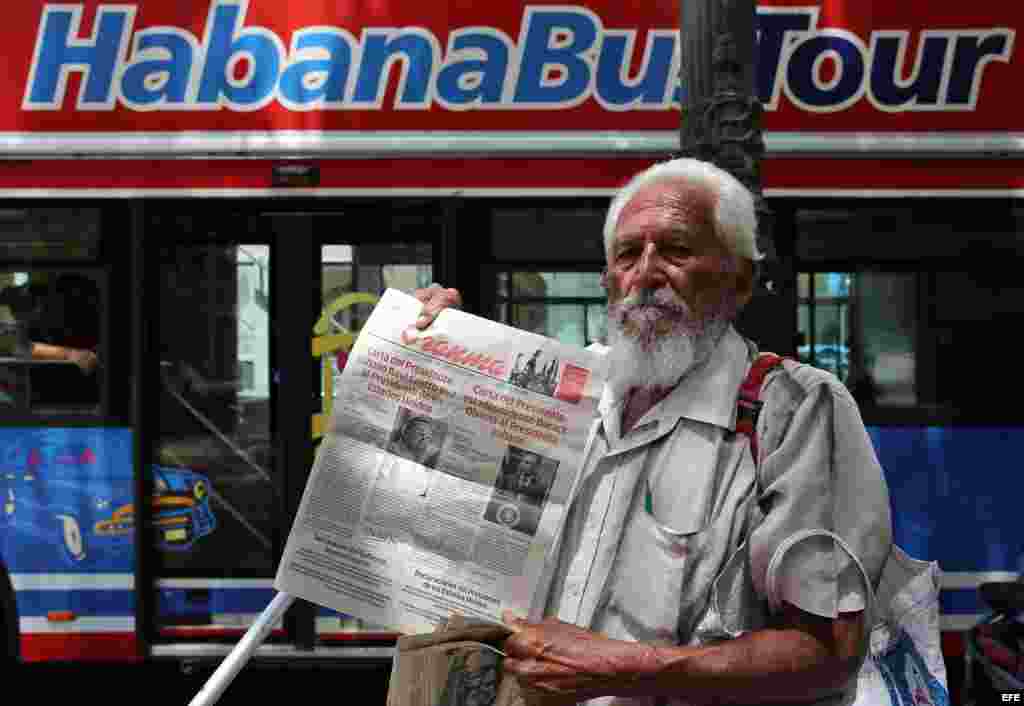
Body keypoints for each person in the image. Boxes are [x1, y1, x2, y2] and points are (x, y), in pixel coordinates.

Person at [413, 157, 893, 706]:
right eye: (626, 255)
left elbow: (829, 654)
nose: (645, 273)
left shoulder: (796, 411)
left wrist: (626, 669)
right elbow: (437, 524)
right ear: (607, 282)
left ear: (740, 280)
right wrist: (420, 354)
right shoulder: (558, 395)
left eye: (677, 250)